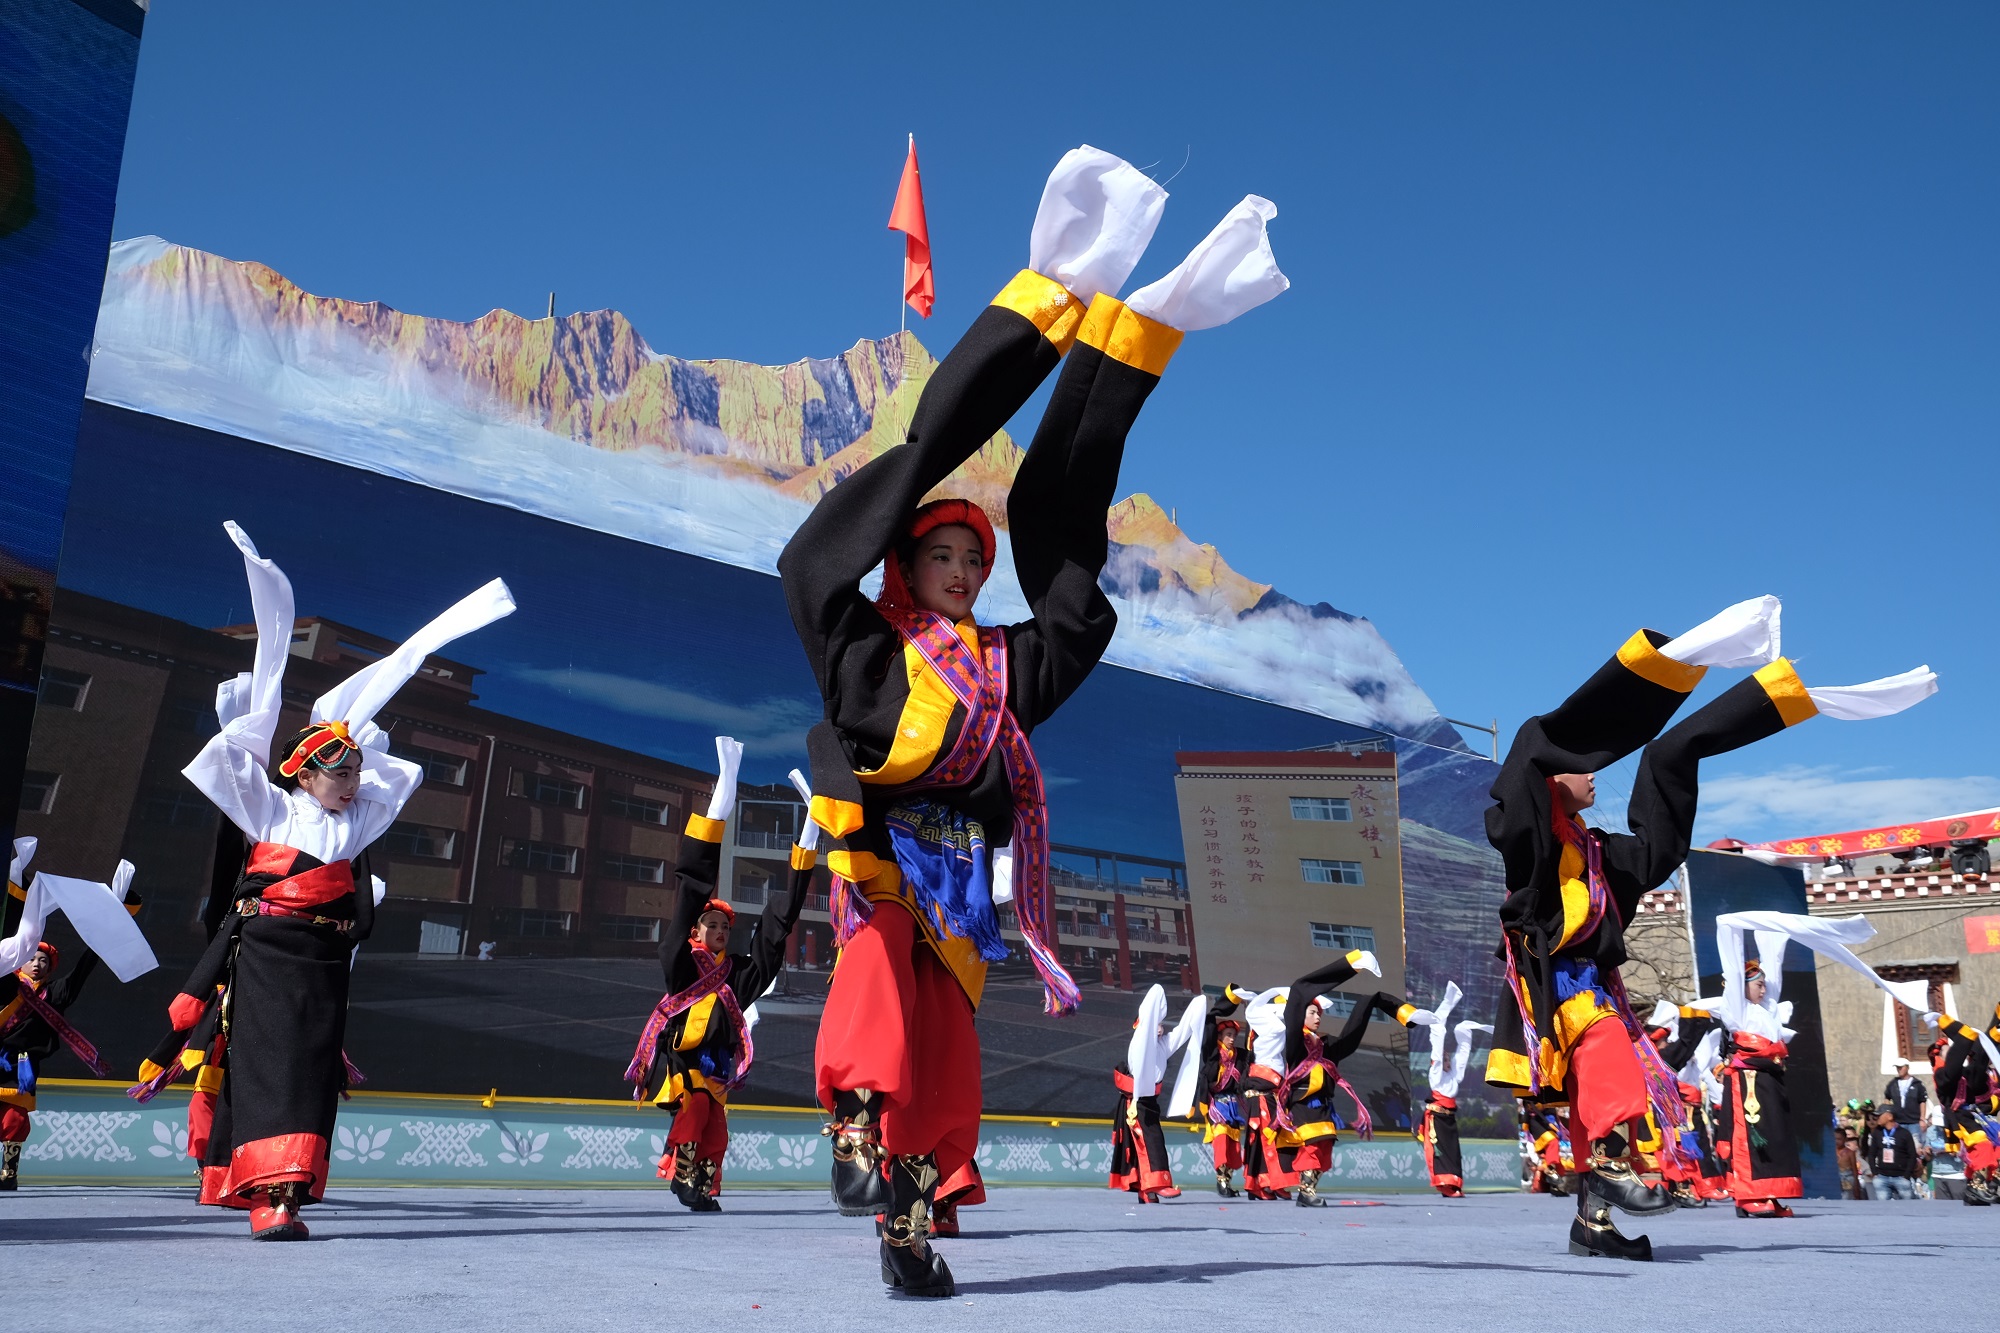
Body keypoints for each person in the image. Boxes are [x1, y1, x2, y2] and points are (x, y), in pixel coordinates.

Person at [780, 146, 1286, 1298]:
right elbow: (809, 563)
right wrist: (941, 436)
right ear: (902, 560)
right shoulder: (862, 648)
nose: (963, 571)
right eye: (942, 553)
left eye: (976, 557)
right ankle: (852, 1123)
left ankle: (908, 1220)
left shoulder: (1007, 669)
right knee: (877, 989)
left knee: (944, 1061)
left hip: (961, 885)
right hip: (881, 859)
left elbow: (1071, 598)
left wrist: (1125, 361)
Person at [1482, 595, 1936, 1259]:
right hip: (1556, 986)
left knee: (1595, 1083)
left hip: (1594, 984)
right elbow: (1530, 750)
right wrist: (1672, 663)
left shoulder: (1602, 853)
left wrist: (1705, 734)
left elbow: (1658, 838)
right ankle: (1607, 1169)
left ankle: (1592, 1223)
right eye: (1581, 765)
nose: (1593, 774)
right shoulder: (1530, 840)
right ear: (1551, 779)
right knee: (1608, 1055)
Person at [163, 521, 512, 1239]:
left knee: (313, 1069)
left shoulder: (357, 826)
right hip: (267, 954)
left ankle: (289, 1190)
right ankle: (265, 1194)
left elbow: (397, 774)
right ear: (303, 773)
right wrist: (262, 696)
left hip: (323, 960)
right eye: (339, 772)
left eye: (356, 772)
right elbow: (234, 761)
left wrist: (357, 719)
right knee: (269, 1066)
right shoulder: (271, 809)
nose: (353, 783)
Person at [625, 743, 815, 1212]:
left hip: (718, 1066)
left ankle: (701, 1187)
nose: (720, 931)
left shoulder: (738, 974)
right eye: (711, 925)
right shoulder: (682, 962)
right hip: (685, 1060)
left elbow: (777, 929)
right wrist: (721, 802)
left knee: (716, 1129)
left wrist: (810, 830)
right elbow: (691, 889)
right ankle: (681, 1175)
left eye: (725, 927)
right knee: (693, 1114)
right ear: (695, 931)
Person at [2, 859, 149, 1190]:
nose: (36, 964)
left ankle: (8, 1172)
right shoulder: (7, 985)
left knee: (14, 1118)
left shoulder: (56, 993)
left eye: (43, 961)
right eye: (32, 958)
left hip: (22, 1064)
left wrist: (108, 926)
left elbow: (85, 966)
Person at [1265, 951, 1407, 1208]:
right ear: (1300, 1016)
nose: (1317, 1017)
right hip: (1301, 1102)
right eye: (1312, 1012)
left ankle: (1307, 1191)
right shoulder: (1295, 1042)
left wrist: (1372, 1002)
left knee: (1324, 1146)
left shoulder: (1325, 1045)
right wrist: (1352, 963)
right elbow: (1298, 991)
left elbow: (1350, 1038)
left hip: (1322, 1105)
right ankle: (1306, 1192)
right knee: (1312, 1145)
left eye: (1319, 1013)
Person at [1108, 984, 1202, 1203]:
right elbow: (1152, 1003)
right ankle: (1158, 1184)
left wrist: (1197, 1007)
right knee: (1151, 1142)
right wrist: (1157, 995)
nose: (1161, 1028)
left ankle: (1146, 1190)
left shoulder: (1161, 1045)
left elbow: (1182, 1032)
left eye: (1161, 1024)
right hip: (1137, 1103)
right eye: (1156, 1023)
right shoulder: (1140, 1043)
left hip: (1150, 1102)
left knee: (1144, 1144)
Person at [1406, 982, 1491, 1198]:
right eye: (1443, 1058)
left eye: (1447, 1058)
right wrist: (1441, 1018)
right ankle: (1445, 1185)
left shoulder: (1454, 1076)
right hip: (1437, 1118)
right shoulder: (1436, 1076)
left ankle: (1455, 1185)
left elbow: (1462, 1055)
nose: (1446, 1060)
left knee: (1453, 1152)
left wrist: (1464, 1031)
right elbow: (1437, 1045)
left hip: (1449, 1119)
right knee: (1440, 1153)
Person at [1181, 986, 1249, 1197]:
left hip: (1233, 1105)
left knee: (1233, 1145)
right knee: (1220, 1140)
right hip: (1216, 1103)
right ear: (1219, 1036)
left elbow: (1254, 1046)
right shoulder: (1213, 1053)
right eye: (1228, 1034)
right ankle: (1220, 1180)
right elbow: (1210, 1022)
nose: (1232, 1038)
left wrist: (1252, 1013)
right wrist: (1231, 1000)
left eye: (1234, 1035)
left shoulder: (1239, 1056)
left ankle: (1226, 1181)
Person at [1927, 1009, 1998, 1205]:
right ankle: (1976, 1186)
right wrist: (1963, 1037)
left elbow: (1979, 1059)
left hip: (1973, 1115)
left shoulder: (1964, 1073)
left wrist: (1994, 1032)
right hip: (1958, 1116)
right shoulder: (1942, 1075)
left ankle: (1987, 1185)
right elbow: (1954, 1065)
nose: (1952, 1051)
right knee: (1981, 1144)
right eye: (1946, 1050)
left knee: (1996, 1143)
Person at [1863, 1107, 1920, 1199]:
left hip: (1901, 1177)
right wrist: (1875, 1172)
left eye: (1879, 1115)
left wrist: (1906, 1175)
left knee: (1907, 1205)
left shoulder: (1904, 1133)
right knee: (1883, 1206)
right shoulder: (1877, 1133)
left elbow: (1912, 1155)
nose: (1877, 1118)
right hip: (1882, 1177)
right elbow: (1872, 1154)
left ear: (1890, 1116)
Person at [1883, 1059, 1927, 1127]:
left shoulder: (1917, 1084)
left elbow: (1922, 1101)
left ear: (1907, 1067)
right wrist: (1888, 1113)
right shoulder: (1892, 1084)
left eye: (1901, 1067)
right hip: (1897, 1122)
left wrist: (1922, 1119)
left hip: (1914, 1122)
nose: (1899, 1069)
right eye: (1897, 1067)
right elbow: (1887, 1098)